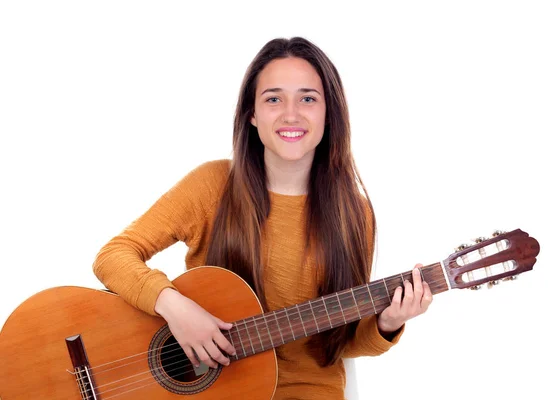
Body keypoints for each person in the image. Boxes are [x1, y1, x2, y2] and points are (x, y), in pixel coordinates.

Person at [93, 36, 433, 400]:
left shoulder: (353, 212)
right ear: (252, 114)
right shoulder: (212, 185)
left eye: (308, 98)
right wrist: (176, 308)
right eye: (273, 99)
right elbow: (113, 256)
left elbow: (338, 343)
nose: (291, 114)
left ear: (329, 113)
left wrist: (387, 323)